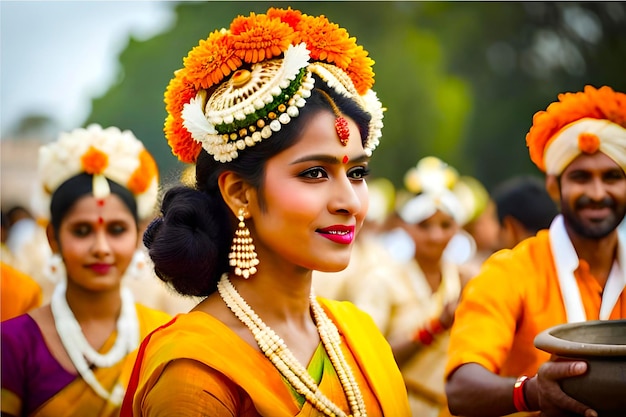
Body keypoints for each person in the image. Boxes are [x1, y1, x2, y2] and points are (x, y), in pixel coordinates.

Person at [121, 7, 410, 417]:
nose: (350, 201)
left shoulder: (359, 334)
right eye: (314, 173)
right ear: (240, 193)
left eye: (357, 172)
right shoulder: (195, 371)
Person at [444, 85, 626, 417]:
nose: (598, 193)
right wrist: (530, 393)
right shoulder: (509, 272)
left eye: (612, 177)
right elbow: (460, 389)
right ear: (554, 186)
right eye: (582, 178)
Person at [1, 124, 172, 417]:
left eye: (117, 230)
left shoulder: (163, 336)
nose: (101, 248)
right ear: (53, 239)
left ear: (137, 236)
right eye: (82, 231)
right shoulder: (13, 342)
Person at [377, 156, 473, 417]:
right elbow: (370, 359)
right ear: (406, 228)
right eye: (424, 226)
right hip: (399, 406)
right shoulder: (383, 280)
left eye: (445, 225)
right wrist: (436, 325)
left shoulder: (466, 281)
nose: (436, 236)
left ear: (458, 228)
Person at [491, 175, 559, 249]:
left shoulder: (503, 259)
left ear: (512, 228)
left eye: (499, 228)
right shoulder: (567, 251)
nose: (495, 236)